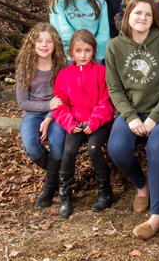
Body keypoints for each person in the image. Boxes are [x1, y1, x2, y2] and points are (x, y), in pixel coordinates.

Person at [106, 0, 159, 240]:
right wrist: (130, 118)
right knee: (117, 148)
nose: (142, 18)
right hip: (132, 112)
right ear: (128, 16)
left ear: (154, 19)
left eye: (148, 14)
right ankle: (142, 186)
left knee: (156, 145)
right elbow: (115, 89)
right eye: (137, 12)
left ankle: (156, 215)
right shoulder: (114, 46)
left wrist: (153, 119)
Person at [52, 30, 115, 218]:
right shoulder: (64, 75)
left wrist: (93, 122)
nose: (83, 55)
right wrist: (70, 124)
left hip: (99, 122)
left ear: (94, 51)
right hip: (75, 123)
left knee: (94, 148)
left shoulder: (101, 71)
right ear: (71, 52)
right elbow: (60, 105)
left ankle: (105, 193)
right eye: (78, 51)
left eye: (87, 51)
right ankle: (65, 197)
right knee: (69, 151)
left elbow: (106, 101)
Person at [14, 23, 67, 208]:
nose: (44, 45)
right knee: (31, 146)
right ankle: (63, 176)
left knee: (58, 143)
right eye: (39, 41)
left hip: (57, 113)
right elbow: (22, 102)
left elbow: (62, 98)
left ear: (55, 44)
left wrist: (49, 117)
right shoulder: (25, 67)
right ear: (32, 44)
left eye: (49, 41)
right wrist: (45, 107)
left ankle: (48, 190)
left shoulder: (60, 66)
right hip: (32, 113)